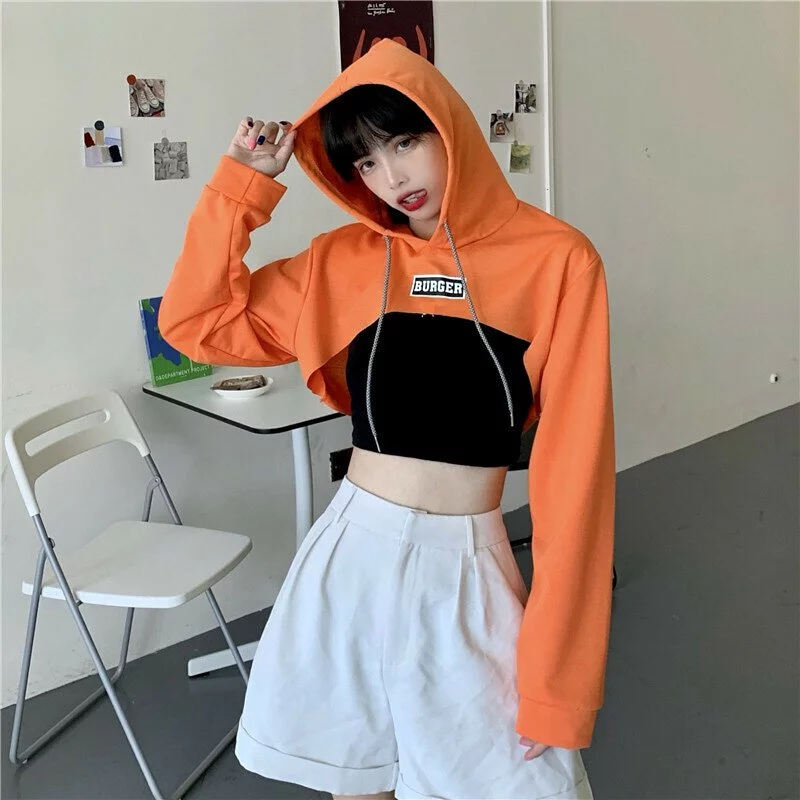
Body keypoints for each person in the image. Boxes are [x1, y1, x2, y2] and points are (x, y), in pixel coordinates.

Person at [159, 39, 615, 800]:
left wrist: (558, 681)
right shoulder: (342, 258)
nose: (392, 178)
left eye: (404, 143)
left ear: (449, 129)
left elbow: (577, 479)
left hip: (464, 569)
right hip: (350, 557)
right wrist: (242, 185)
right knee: (358, 779)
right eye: (366, 161)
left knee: (516, 783)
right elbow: (196, 322)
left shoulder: (557, 260)